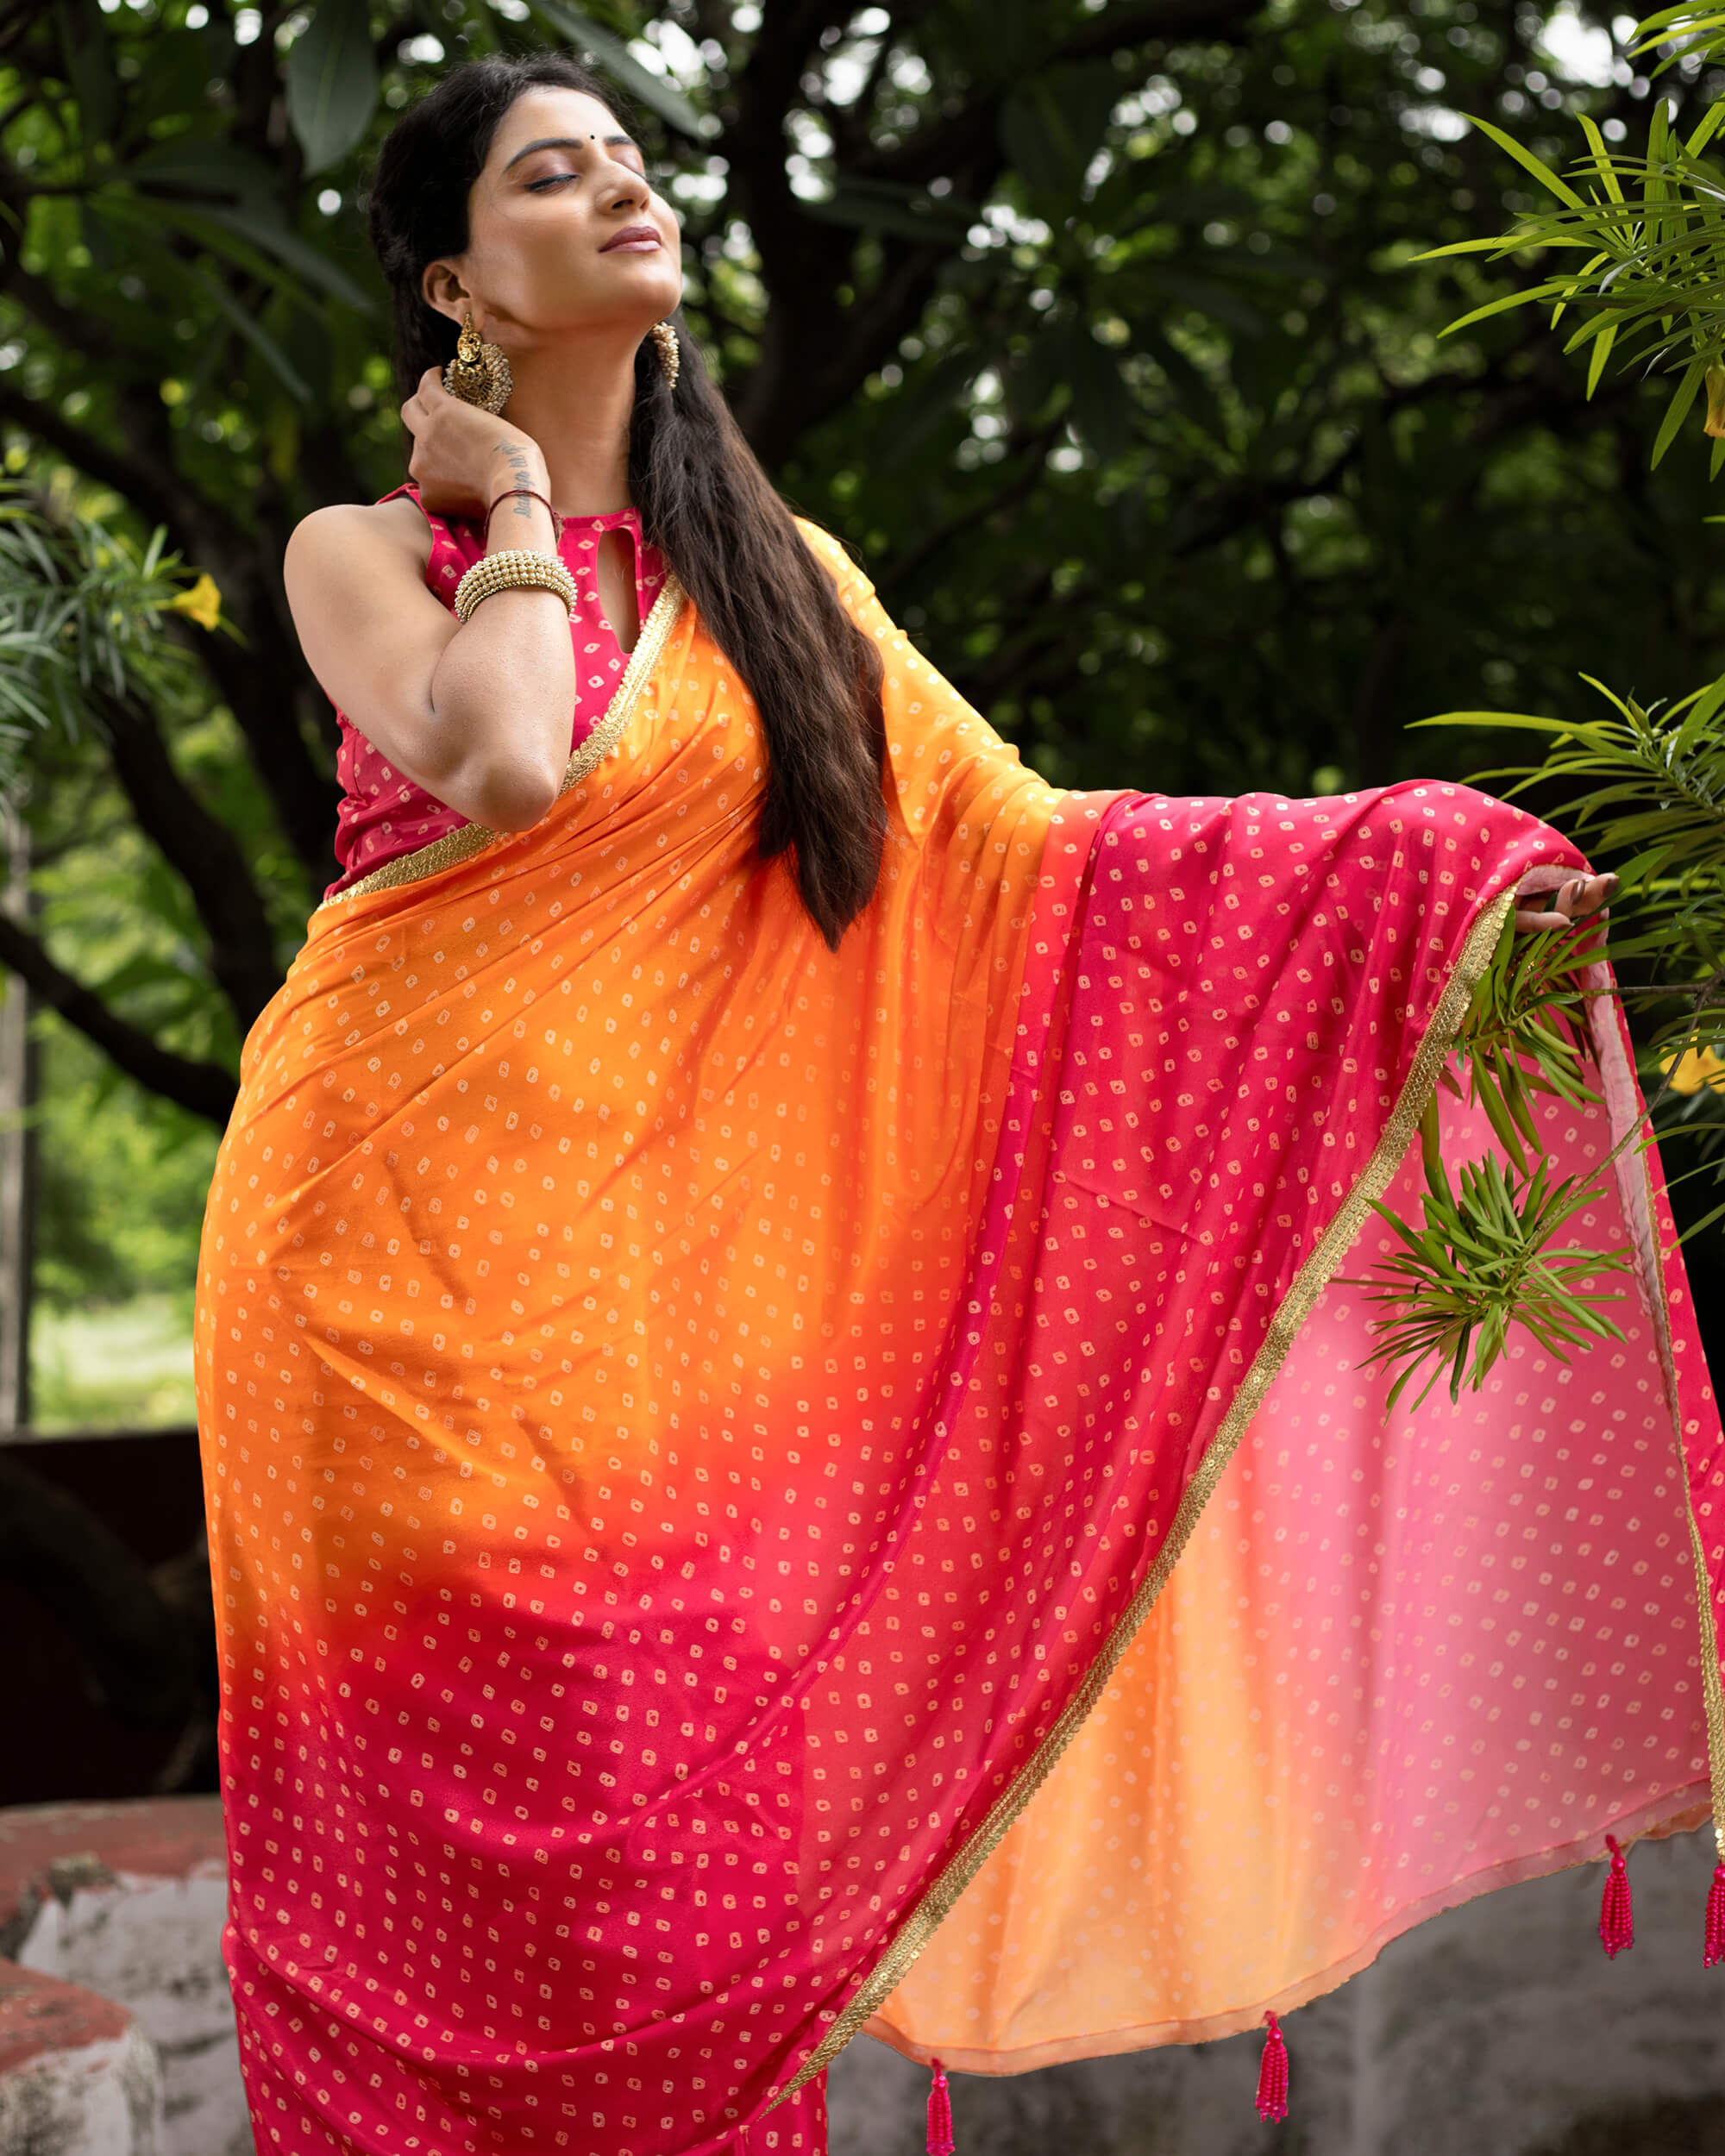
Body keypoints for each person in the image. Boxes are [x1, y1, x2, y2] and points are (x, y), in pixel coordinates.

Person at [192, 53, 1716, 2156]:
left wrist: (1390, 874)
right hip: (379, 1298)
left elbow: (1035, 868)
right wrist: (519, 501)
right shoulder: (363, 547)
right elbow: (510, 759)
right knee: (430, 1897)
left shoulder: (785, 583)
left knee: (681, 1887)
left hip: (662, 1339)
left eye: (632, 160)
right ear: (460, 278)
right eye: (558, 175)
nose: (623, 190)